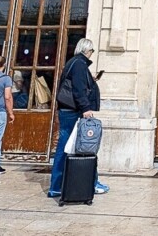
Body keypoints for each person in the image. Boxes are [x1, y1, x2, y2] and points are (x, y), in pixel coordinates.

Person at [48, 38, 108, 197]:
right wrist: (86, 108)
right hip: (73, 111)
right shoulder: (80, 65)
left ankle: (57, 185)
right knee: (82, 146)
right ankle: (90, 183)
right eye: (92, 51)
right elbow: (78, 89)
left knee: (68, 147)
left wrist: (90, 80)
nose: (91, 54)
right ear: (87, 50)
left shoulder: (73, 63)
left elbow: (77, 84)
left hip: (67, 110)